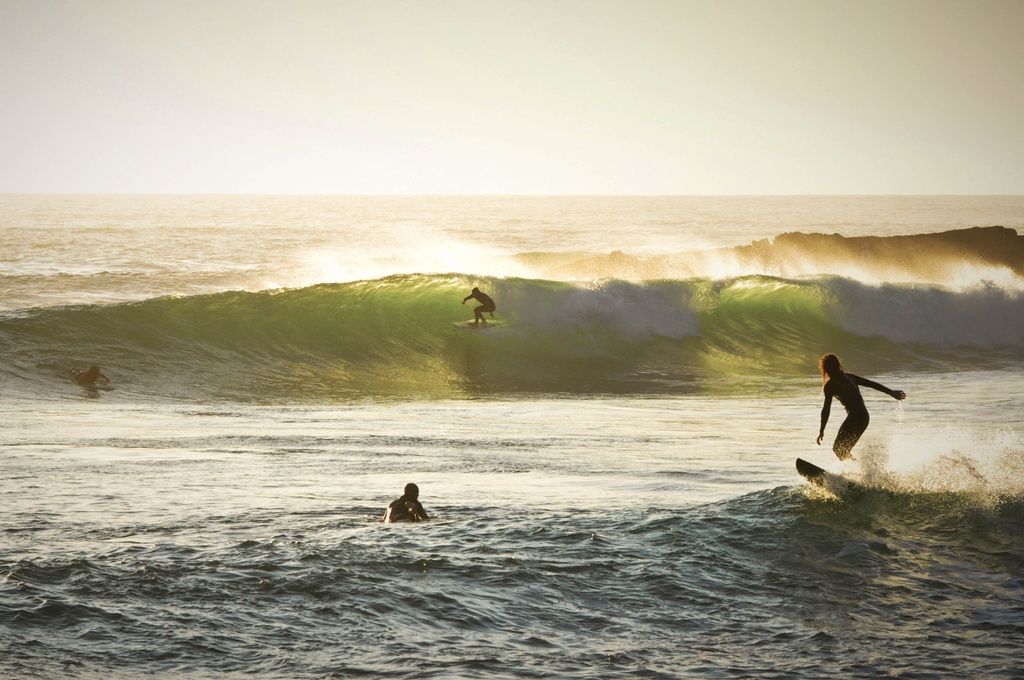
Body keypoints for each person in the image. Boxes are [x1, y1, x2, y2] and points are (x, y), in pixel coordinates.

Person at [816, 353, 905, 460]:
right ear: (838, 365)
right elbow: (872, 384)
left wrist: (822, 430)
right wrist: (890, 392)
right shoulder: (850, 377)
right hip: (864, 417)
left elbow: (826, 409)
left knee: (838, 449)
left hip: (855, 417)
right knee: (842, 449)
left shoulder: (830, 385)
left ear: (826, 369)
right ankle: (860, 471)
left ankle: (858, 471)